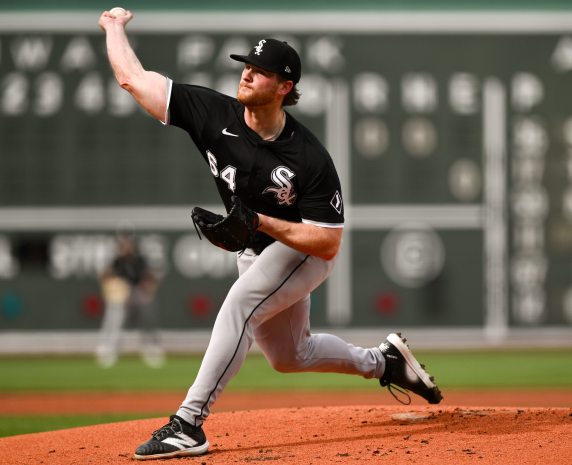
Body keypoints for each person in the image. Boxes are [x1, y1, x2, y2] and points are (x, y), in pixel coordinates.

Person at [98, 9, 442, 460]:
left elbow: (328, 241)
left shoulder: (308, 158)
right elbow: (133, 79)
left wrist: (260, 223)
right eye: (247, 66)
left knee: (238, 306)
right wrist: (114, 28)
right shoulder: (211, 113)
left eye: (261, 72)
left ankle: (188, 423)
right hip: (257, 249)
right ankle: (384, 362)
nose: (247, 75)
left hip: (302, 249)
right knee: (289, 356)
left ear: (284, 87)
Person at [95, 232, 165, 368]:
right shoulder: (117, 261)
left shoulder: (139, 260)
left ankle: (151, 347)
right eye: (124, 243)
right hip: (121, 297)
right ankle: (109, 348)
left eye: (128, 243)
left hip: (136, 294)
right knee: (114, 314)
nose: (126, 246)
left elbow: (150, 278)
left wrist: (149, 286)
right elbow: (105, 278)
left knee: (147, 307)